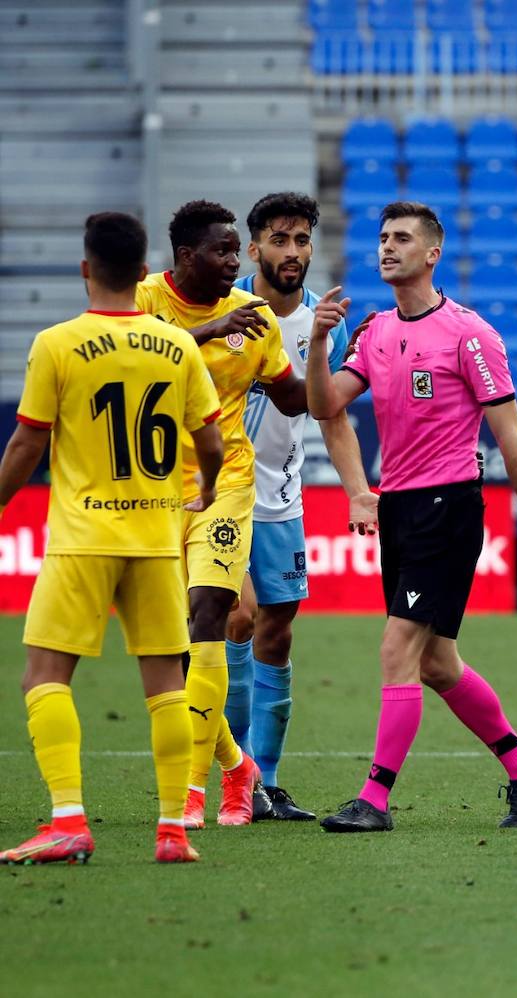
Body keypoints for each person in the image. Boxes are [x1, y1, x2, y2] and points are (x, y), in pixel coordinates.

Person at [304, 200, 517, 833]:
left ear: (432, 253)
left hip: (447, 507)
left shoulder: (469, 334)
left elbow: (511, 438)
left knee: (398, 648)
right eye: (382, 238)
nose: (387, 247)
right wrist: (317, 341)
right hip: (397, 508)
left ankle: (374, 799)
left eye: (401, 238)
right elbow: (323, 404)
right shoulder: (373, 333)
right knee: (436, 663)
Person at [0, 212, 223, 864]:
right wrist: (205, 490)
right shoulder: (176, 344)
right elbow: (210, 439)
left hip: (83, 536)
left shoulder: (57, 344)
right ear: (143, 268)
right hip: (157, 535)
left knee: (44, 674)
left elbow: (27, 442)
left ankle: (68, 817)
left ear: (85, 268)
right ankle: (172, 831)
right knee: (165, 686)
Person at [136, 200, 310, 828]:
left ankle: (196, 790)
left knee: (214, 612)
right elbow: (130, 356)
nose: (235, 263)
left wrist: (345, 368)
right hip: (151, 490)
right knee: (167, 641)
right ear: (187, 257)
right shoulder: (146, 299)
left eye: (238, 252)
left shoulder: (254, 323)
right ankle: (238, 764)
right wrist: (206, 334)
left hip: (225, 484)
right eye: (223, 252)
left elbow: (292, 397)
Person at [222, 192, 378, 822]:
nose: (292, 252)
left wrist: (358, 489)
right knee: (238, 619)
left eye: (301, 240)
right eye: (278, 240)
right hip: (218, 498)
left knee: (277, 633)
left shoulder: (324, 323)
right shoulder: (223, 309)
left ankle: (269, 783)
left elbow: (333, 416)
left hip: (282, 503)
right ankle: (233, 776)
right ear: (253, 246)